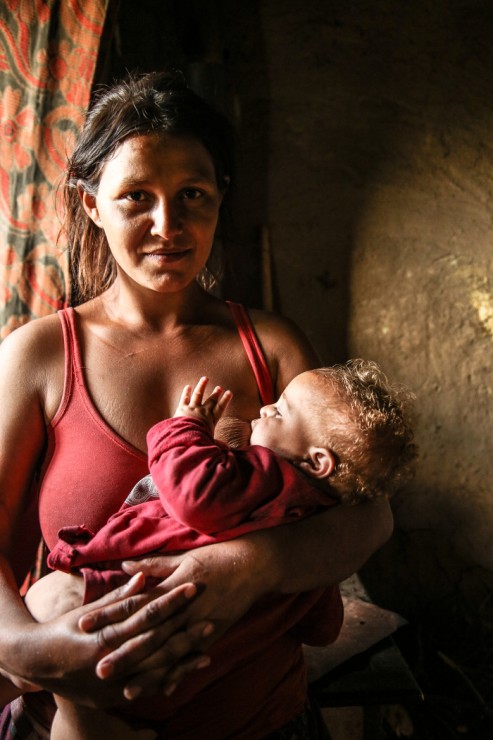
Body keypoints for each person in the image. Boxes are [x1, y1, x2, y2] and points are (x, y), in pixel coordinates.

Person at [0, 70, 394, 739]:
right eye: (136, 198)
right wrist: (19, 645)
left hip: (262, 723)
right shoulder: (39, 356)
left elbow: (368, 517)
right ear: (92, 203)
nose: (168, 226)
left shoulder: (267, 345)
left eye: (192, 196)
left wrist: (252, 566)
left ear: (220, 199)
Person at [24, 363, 415, 739]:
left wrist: (185, 427)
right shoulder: (312, 520)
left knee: (45, 604)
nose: (265, 407)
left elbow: (194, 493)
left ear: (317, 461)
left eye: (280, 410)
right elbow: (324, 627)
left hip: (133, 601)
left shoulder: (267, 475)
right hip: (182, 678)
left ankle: (84, 724)